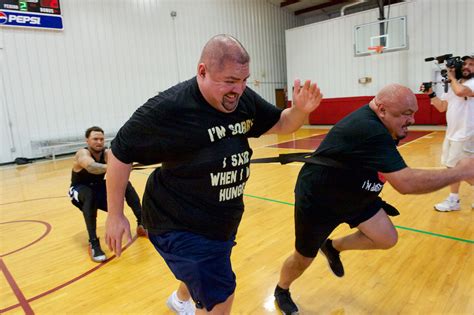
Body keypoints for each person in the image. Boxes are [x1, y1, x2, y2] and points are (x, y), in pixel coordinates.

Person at [104, 34, 322, 315]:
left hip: (220, 219)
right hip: (177, 222)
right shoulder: (169, 108)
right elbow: (120, 151)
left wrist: (301, 110)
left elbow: (281, 122)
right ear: (202, 71)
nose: (239, 90)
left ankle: (180, 300)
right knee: (220, 294)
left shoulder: (244, 100)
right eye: (230, 81)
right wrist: (115, 213)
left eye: (244, 80)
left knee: (205, 275)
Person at [273, 84, 474, 315]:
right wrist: (461, 172)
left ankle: (332, 246)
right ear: (381, 109)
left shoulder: (387, 124)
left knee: (386, 237)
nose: (412, 120)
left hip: (356, 192)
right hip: (320, 200)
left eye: (413, 113)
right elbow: (406, 183)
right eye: (406, 114)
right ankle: (281, 289)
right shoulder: (369, 130)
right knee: (302, 259)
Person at [68, 126, 147, 263]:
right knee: (89, 195)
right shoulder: (82, 154)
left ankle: (141, 224)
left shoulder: (107, 153)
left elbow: (127, 160)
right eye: (95, 139)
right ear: (87, 140)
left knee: (125, 185)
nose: (99, 142)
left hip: (98, 187)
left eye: (101, 139)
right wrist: (115, 167)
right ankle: (93, 242)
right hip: (79, 189)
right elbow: (92, 168)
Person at [421, 54, 474, 211]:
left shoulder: (469, 84)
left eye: (471, 64)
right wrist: (430, 93)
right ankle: (454, 200)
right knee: (457, 169)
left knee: (456, 170)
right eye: (464, 64)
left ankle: (453, 200)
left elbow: (461, 92)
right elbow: (442, 107)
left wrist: (451, 77)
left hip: (466, 134)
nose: (467, 67)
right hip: (451, 134)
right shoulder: (455, 84)